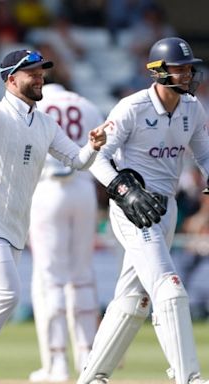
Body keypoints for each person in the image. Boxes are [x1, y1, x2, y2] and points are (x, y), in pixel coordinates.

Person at [0, 49, 109, 384]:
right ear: (11, 79)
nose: (39, 76)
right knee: (6, 294)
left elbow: (77, 161)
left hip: (15, 227)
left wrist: (93, 145)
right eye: (31, 72)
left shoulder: (46, 123)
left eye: (41, 71)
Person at [77, 37, 209, 384]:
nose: (186, 75)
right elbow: (98, 159)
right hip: (133, 209)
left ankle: (92, 377)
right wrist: (124, 191)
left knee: (132, 298)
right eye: (179, 69)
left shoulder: (193, 108)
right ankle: (189, 377)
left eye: (188, 69)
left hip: (167, 210)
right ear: (158, 72)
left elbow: (205, 154)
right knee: (169, 287)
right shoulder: (131, 108)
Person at [28, 83, 104, 382]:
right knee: (83, 276)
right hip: (83, 189)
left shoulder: (38, 106)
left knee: (51, 279)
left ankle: (56, 364)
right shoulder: (87, 103)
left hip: (47, 188)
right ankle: (89, 358)